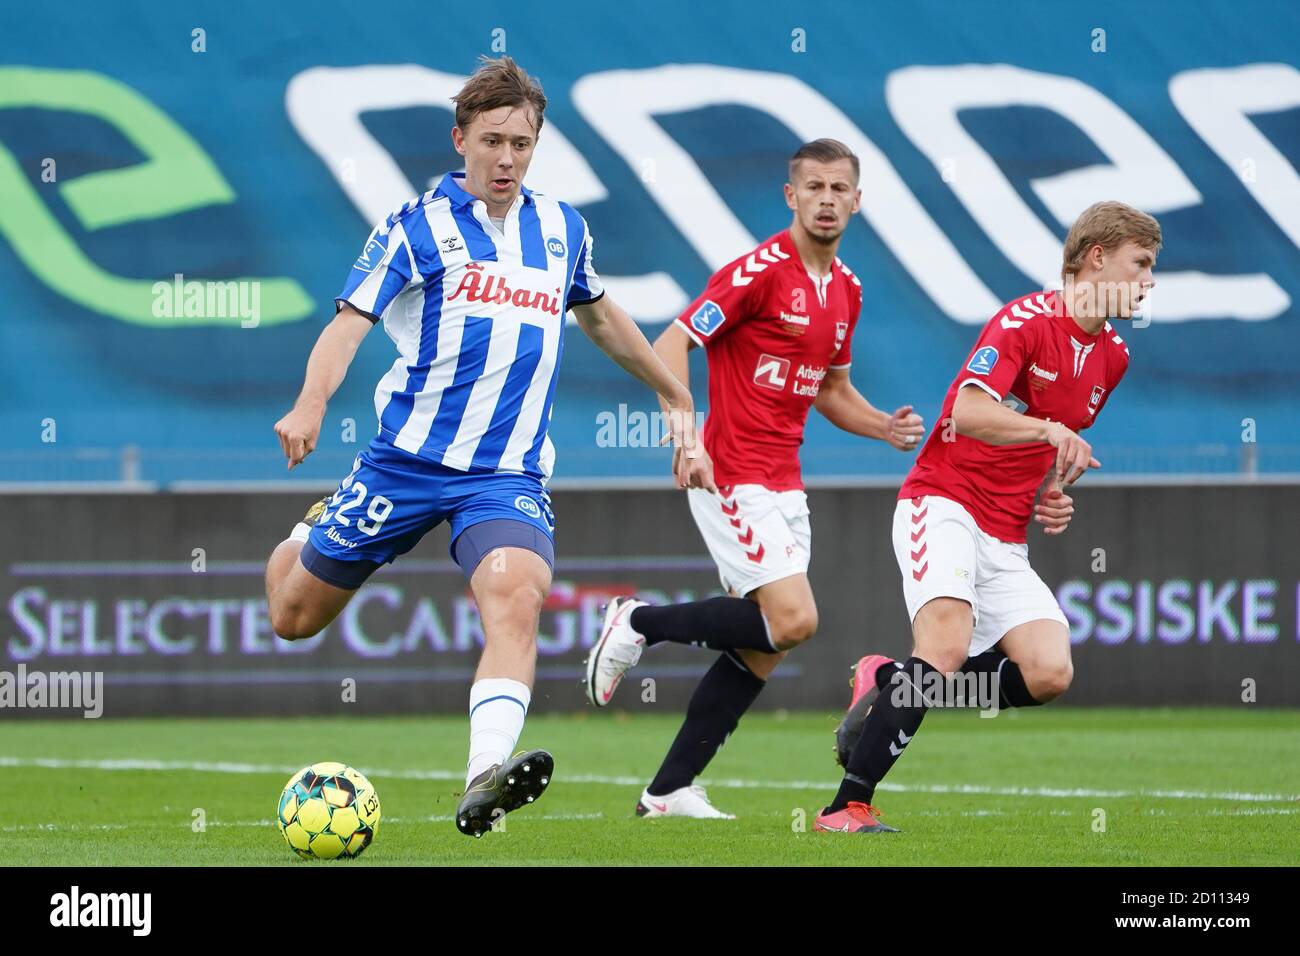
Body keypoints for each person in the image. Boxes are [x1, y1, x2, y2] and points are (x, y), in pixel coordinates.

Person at [263, 56, 698, 838]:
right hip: (403, 463)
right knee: (293, 617)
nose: (507, 159)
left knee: (516, 595)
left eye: (522, 144)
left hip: (505, 474)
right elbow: (348, 324)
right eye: (493, 141)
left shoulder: (563, 228)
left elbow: (599, 317)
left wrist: (672, 389)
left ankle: (482, 778)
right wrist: (310, 402)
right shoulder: (413, 227)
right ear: (459, 138)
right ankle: (311, 525)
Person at [584, 139, 925, 818]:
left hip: (784, 482)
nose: (827, 200)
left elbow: (831, 391)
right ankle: (638, 619)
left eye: (839, 189)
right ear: (790, 196)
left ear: (858, 201)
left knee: (764, 645)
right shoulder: (759, 272)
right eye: (814, 187)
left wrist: (882, 425)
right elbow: (671, 343)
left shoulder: (846, 291)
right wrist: (684, 436)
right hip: (730, 468)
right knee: (795, 618)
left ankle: (667, 791)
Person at [818, 200, 1161, 833]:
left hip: (1005, 533)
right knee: (945, 649)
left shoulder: (1113, 357)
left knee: (1050, 672)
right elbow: (968, 415)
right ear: (1097, 257)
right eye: (1140, 264)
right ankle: (846, 805)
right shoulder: (1024, 321)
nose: (1149, 282)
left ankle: (889, 681)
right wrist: (1053, 428)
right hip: (942, 501)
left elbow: (1033, 445)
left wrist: (1047, 492)